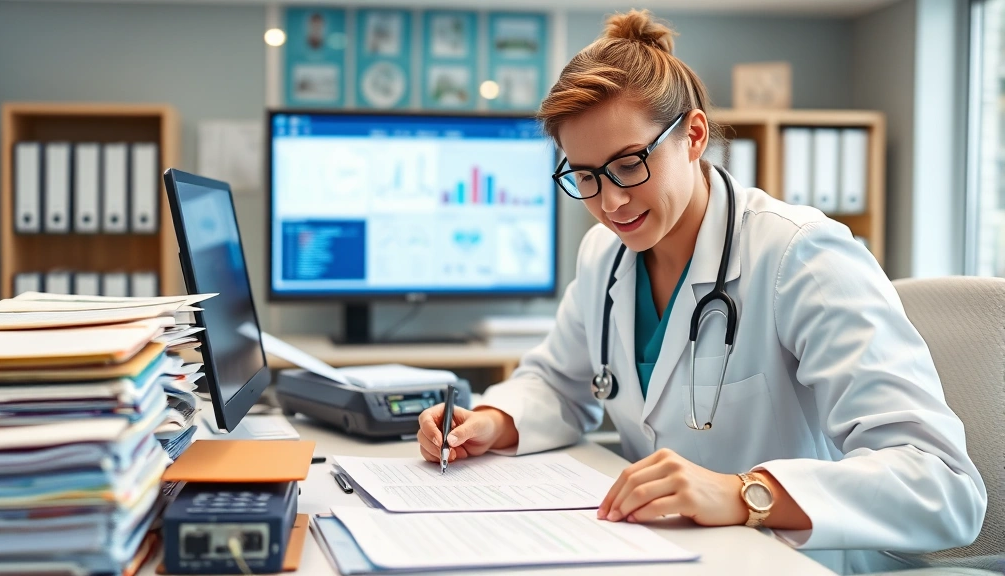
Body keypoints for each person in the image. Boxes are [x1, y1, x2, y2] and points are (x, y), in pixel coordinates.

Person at [415, 9, 986, 575]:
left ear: (693, 136)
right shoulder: (604, 257)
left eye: (628, 164)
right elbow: (557, 383)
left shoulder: (800, 255)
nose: (609, 203)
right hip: (667, 556)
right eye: (585, 176)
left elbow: (942, 483)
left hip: (801, 563)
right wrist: (491, 420)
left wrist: (745, 494)